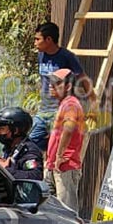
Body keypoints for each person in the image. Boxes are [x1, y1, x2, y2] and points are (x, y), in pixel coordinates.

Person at [31, 22, 84, 152]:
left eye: (38, 39)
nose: (35, 43)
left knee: (59, 145)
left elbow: (82, 79)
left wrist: (90, 102)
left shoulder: (67, 57)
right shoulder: (41, 56)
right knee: (32, 141)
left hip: (60, 110)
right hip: (44, 109)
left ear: (48, 39)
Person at [46, 68, 85, 213]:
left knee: (66, 213)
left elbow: (69, 127)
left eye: (56, 83)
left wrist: (59, 156)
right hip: (55, 166)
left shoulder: (71, 104)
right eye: (50, 83)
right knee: (52, 212)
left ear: (68, 87)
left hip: (65, 166)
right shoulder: (65, 103)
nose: (51, 86)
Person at [0, 106, 43, 180]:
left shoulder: (28, 150)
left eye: (2, 128)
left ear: (16, 130)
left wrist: (5, 169)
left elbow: (35, 175)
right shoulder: (10, 147)